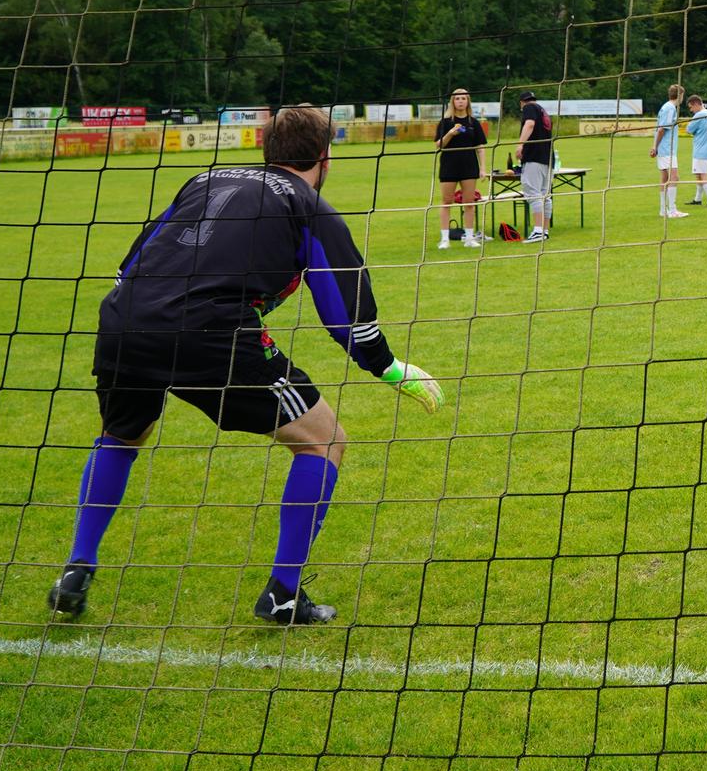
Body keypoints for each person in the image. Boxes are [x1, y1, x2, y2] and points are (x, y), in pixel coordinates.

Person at [52, 104, 442, 626]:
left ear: (266, 149)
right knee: (324, 440)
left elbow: (133, 260)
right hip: (210, 330)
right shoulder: (309, 204)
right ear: (325, 157)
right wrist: (390, 368)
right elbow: (346, 313)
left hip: (125, 319)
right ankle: (282, 594)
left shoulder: (203, 178)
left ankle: (77, 569)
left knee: (122, 435)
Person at [434, 88, 487, 249]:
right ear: (453, 101)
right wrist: (450, 133)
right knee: (446, 201)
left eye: (464, 98)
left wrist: (483, 168)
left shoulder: (473, 122)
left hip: (469, 166)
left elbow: (480, 147)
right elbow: (439, 145)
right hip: (449, 166)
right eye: (457, 99)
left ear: (468, 101)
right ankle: (445, 239)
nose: (461, 101)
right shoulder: (445, 122)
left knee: (469, 202)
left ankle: (469, 238)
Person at [513, 90, 554, 242]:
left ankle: (537, 231)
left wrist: (520, 145)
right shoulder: (542, 110)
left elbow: (529, 124)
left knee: (533, 192)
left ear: (521, 103)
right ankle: (544, 230)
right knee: (545, 195)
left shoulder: (529, 108)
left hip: (534, 156)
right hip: (547, 157)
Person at [651, 83, 688, 218]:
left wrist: (654, 146)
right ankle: (672, 210)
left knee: (665, 178)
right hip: (667, 149)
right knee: (674, 177)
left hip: (664, 148)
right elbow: (661, 129)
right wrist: (655, 146)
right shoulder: (670, 108)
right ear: (680, 95)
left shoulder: (666, 107)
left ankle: (663, 210)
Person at [682, 94, 707, 206]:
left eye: (691, 107)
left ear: (696, 104)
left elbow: (688, 130)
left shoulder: (700, 115)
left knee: (703, 175)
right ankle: (698, 199)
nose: (691, 110)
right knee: (699, 174)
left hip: (701, 150)